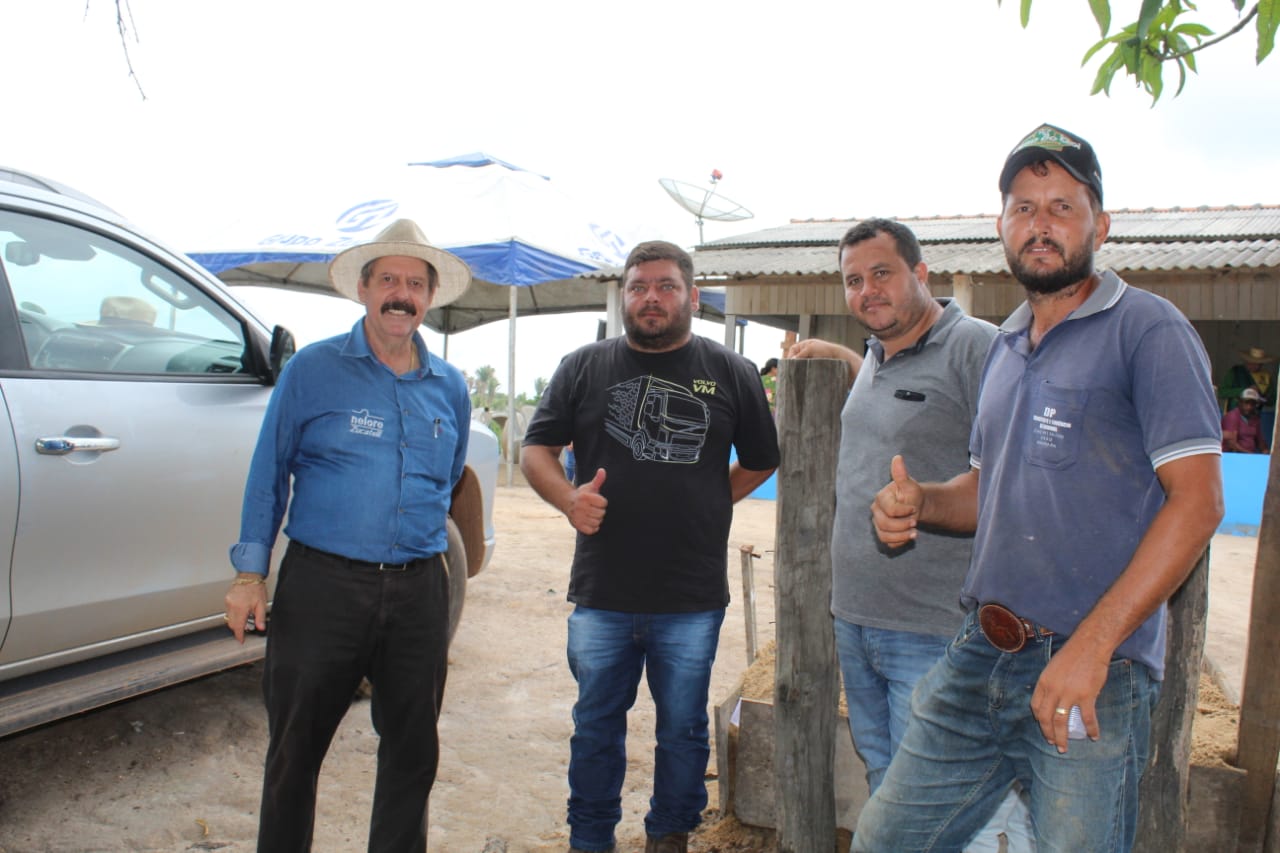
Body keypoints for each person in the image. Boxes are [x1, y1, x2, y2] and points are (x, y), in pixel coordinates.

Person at [854, 124, 1224, 853]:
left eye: (1061, 206)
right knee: (884, 840)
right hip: (979, 652)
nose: (1040, 224)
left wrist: (1092, 646)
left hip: (1092, 670)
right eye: (1023, 208)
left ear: (1100, 225)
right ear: (1001, 226)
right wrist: (923, 501)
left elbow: (1200, 500)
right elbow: (986, 489)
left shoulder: (1147, 329)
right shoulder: (1006, 345)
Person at [520, 240, 779, 853]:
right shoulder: (583, 367)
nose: (651, 298)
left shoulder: (732, 371)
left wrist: (712, 499)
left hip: (690, 595)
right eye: (638, 287)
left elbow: (762, 459)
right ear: (624, 297)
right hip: (603, 592)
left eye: (666, 286)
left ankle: (669, 836)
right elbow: (536, 451)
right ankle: (590, 839)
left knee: (683, 730)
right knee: (594, 727)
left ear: (692, 296)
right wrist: (569, 500)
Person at [224, 219, 473, 853]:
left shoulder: (449, 387)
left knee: (413, 754)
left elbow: (447, 481)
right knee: (294, 752)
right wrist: (250, 574)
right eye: (388, 279)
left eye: (414, 284)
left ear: (429, 297)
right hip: (323, 589)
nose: (400, 294)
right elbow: (268, 471)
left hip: (420, 591)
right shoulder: (313, 369)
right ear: (363, 289)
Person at [789, 219, 1031, 852]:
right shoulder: (877, 354)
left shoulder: (979, 348)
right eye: (853, 281)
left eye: (882, 273)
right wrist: (845, 357)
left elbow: (1012, 476)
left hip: (933, 626)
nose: (867, 290)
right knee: (885, 783)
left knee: (947, 806)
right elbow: (904, 410)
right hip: (857, 618)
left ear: (921, 274)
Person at [1219, 346, 1276, 410]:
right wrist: (1245, 391)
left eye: (1258, 363)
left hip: (1254, 413)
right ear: (1246, 361)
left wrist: (1259, 398)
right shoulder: (1235, 371)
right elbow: (1222, 392)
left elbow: (1272, 400)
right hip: (1234, 412)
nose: (1255, 366)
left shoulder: (1266, 377)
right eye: (1252, 362)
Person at [1222, 386, 1269, 453]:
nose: (1249, 407)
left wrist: (1265, 451)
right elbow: (1231, 444)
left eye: (1252, 404)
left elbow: (1260, 440)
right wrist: (1250, 454)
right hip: (1234, 456)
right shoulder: (1232, 416)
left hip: (1250, 455)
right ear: (1240, 402)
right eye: (1246, 403)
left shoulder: (1254, 418)